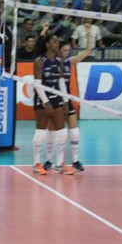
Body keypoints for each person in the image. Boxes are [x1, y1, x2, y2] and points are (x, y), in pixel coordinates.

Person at [43, 28, 93, 173]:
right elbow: (41, 48)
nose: (67, 53)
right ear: (58, 50)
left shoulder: (69, 62)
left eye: (68, 50)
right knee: (53, 131)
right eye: (65, 50)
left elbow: (87, 51)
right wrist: (45, 30)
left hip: (67, 99)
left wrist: (89, 36)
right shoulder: (51, 61)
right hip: (53, 99)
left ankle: (75, 161)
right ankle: (48, 161)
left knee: (75, 131)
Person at [32, 25, 74, 175]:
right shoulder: (39, 61)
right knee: (41, 132)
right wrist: (45, 102)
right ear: (47, 44)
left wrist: (66, 101)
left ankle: (59, 164)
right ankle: (36, 163)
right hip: (42, 98)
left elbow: (61, 82)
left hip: (56, 97)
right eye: (55, 42)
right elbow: (37, 85)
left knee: (62, 132)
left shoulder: (59, 61)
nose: (58, 45)